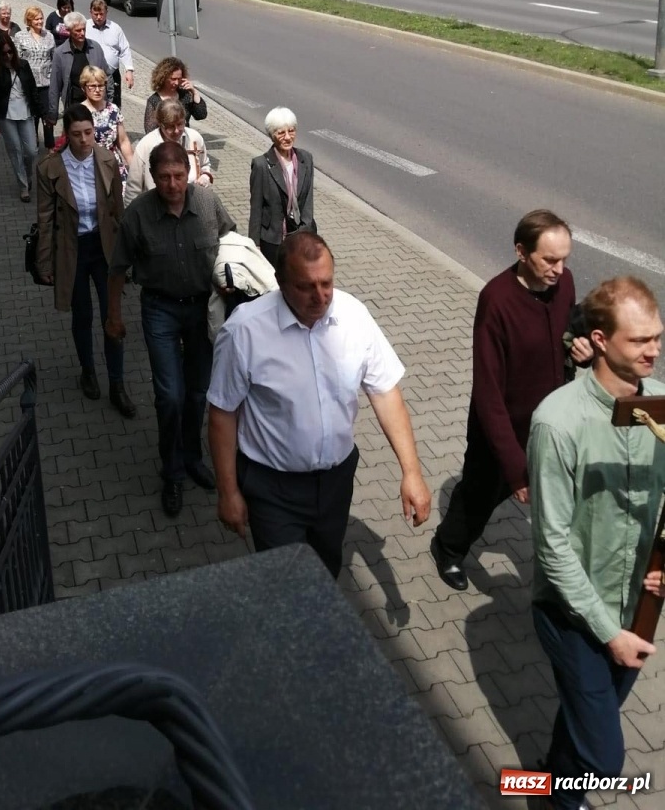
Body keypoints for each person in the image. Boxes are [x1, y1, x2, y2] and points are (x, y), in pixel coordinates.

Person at [207, 231, 432, 579]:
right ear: (281, 281)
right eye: (305, 286)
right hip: (272, 489)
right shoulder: (245, 331)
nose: (320, 296)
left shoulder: (355, 318)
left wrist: (411, 472)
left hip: (336, 482)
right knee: (286, 582)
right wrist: (228, 492)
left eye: (326, 283)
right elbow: (222, 414)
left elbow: (386, 393)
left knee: (326, 571)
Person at [528, 277, 665, 810]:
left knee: (584, 718)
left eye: (658, 337)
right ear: (602, 341)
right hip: (574, 616)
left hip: (637, 608)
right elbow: (552, 548)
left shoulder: (659, 409)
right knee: (604, 758)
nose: (654, 350)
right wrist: (610, 635)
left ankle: (548, 792)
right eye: (640, 340)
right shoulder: (558, 422)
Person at [430, 210, 592, 592]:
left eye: (564, 259)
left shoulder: (564, 283)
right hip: (502, 427)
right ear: (521, 251)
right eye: (549, 260)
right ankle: (448, 547)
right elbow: (488, 391)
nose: (559, 269)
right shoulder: (496, 300)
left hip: (551, 424)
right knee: (480, 495)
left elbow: (569, 331)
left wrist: (582, 350)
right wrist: (517, 470)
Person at [106, 141, 235, 517]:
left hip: (202, 310)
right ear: (153, 177)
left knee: (197, 393)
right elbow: (117, 269)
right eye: (164, 177)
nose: (173, 184)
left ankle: (193, 457)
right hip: (160, 310)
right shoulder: (138, 215)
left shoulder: (207, 203)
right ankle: (173, 471)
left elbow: (231, 241)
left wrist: (233, 282)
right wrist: (114, 317)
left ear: (189, 173)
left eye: (179, 176)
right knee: (170, 397)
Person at [36, 105, 135, 417]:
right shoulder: (50, 168)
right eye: (77, 134)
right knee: (82, 315)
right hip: (72, 249)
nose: (84, 140)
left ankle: (117, 384)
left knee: (112, 315)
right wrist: (45, 263)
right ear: (67, 134)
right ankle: (88, 370)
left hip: (103, 247)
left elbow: (118, 211)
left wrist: (125, 256)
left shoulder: (106, 160)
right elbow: (45, 218)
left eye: (88, 133)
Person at [248, 107, 316, 267]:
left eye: (291, 131)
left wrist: (306, 230)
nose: (287, 137)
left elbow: (308, 200)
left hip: (300, 235)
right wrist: (254, 245)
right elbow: (256, 207)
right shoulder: (261, 165)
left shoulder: (306, 159)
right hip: (273, 239)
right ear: (272, 135)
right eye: (281, 133)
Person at [0, 37, 45, 201]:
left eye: (10, 52)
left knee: (31, 151)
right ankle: (23, 187)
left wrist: (42, 113)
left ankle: (27, 175)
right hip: (6, 115)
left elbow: (33, 90)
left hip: (25, 111)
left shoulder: (24, 65)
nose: (7, 56)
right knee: (15, 150)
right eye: (3, 53)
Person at [125, 100, 212, 205]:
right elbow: (133, 188)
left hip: (193, 204)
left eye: (180, 124)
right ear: (160, 124)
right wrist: (131, 212)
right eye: (170, 126)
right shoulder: (146, 146)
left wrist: (205, 176)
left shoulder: (195, 138)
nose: (176, 130)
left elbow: (205, 164)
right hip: (157, 208)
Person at [47, 11, 109, 126]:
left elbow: (107, 75)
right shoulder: (60, 53)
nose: (82, 33)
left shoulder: (95, 48)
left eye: (84, 29)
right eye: (78, 30)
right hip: (74, 104)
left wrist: (109, 102)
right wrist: (52, 113)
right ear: (69, 31)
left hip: (96, 103)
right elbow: (55, 85)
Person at [78, 65, 133, 185]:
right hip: (88, 168)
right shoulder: (78, 112)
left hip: (113, 165)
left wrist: (134, 168)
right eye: (93, 86)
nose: (97, 90)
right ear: (84, 87)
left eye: (101, 85)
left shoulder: (113, 109)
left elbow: (123, 141)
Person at [15, 6, 56, 150]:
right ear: (29, 20)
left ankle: (50, 146)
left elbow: (54, 58)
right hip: (29, 84)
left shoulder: (49, 36)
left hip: (46, 82)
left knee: (48, 116)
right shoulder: (20, 36)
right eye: (36, 19)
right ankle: (33, 144)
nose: (40, 21)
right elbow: (17, 60)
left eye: (41, 18)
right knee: (32, 116)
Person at [85, 0, 134, 107]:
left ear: (107, 12)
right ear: (90, 12)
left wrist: (129, 70)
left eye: (101, 14)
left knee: (114, 105)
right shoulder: (85, 27)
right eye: (96, 14)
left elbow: (125, 49)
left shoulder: (115, 28)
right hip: (92, 76)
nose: (99, 17)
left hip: (112, 74)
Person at [143, 57, 207, 134]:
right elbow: (150, 130)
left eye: (179, 79)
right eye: (173, 79)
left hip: (184, 139)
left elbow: (201, 115)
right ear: (163, 78)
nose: (176, 83)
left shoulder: (185, 95)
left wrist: (194, 92)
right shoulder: (154, 100)